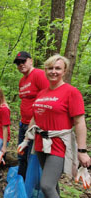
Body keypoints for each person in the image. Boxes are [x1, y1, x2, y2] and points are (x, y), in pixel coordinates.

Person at [18, 55, 91, 197]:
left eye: (58, 68)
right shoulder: (41, 93)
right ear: (45, 70)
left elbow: (79, 122)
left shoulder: (71, 92)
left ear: (65, 71)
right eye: (50, 68)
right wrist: (26, 140)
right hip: (40, 142)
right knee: (52, 184)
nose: (53, 71)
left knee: (46, 185)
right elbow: (35, 117)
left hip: (58, 143)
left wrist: (82, 151)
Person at [13, 51, 49, 180]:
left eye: (23, 61)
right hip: (23, 123)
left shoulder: (39, 75)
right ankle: (20, 183)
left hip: (35, 126)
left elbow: (48, 98)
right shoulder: (22, 80)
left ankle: (30, 186)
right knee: (21, 155)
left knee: (31, 158)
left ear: (31, 60)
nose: (21, 64)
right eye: (18, 63)